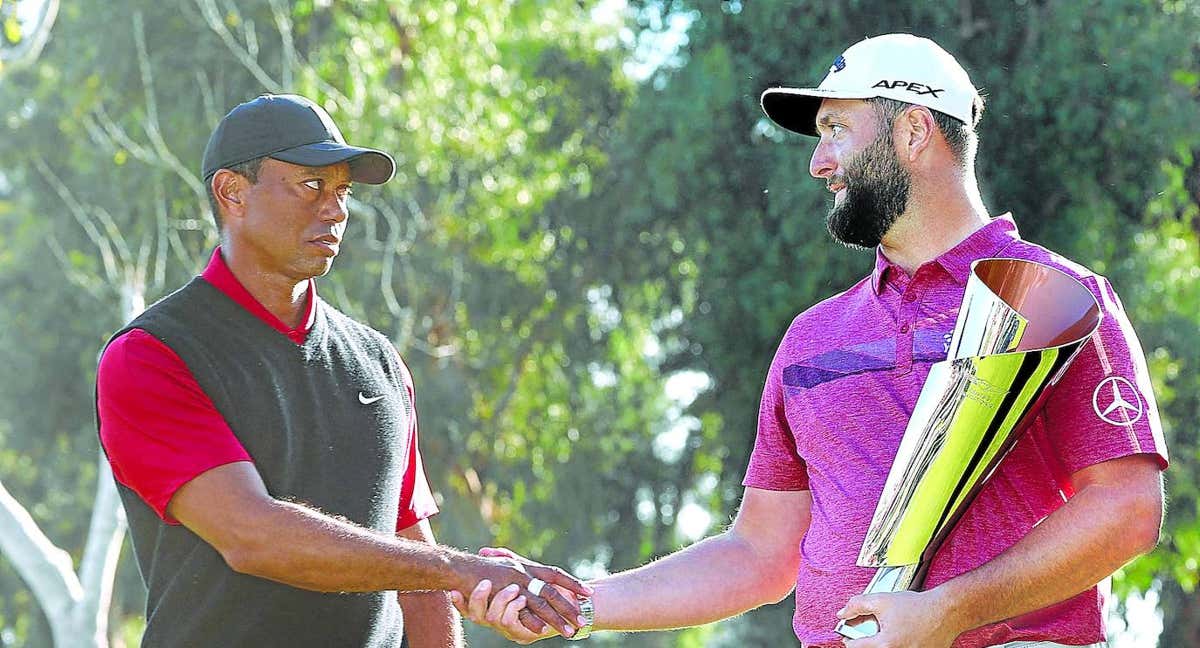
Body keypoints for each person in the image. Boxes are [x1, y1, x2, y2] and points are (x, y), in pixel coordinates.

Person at [457, 34, 1168, 648]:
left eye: (836, 130)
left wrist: (947, 613)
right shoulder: (812, 339)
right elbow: (760, 554)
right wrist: (577, 604)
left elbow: (1127, 511)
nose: (817, 163)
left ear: (913, 133)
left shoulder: (1056, 297)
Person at [96, 93, 589, 647]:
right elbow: (252, 536)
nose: (335, 210)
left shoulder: (379, 363)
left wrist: (447, 574)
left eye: (342, 191)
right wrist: (460, 569)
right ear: (232, 192)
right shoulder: (151, 355)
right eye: (311, 186)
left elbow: (415, 566)